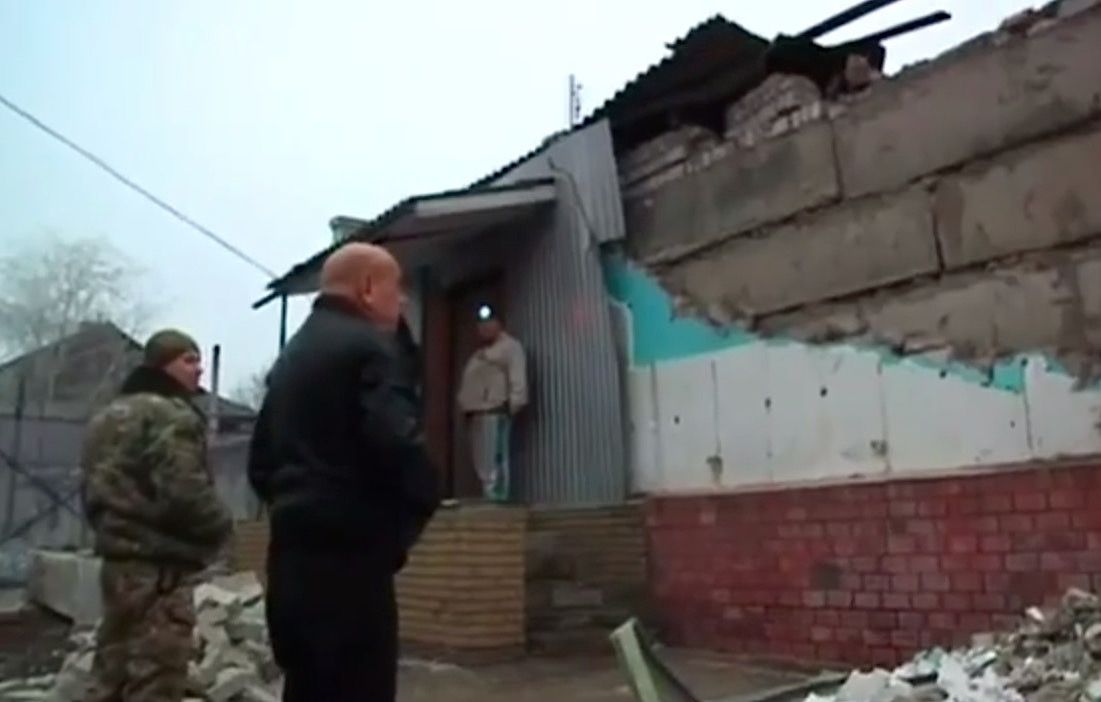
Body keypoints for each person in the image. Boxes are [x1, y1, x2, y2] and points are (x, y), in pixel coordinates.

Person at [247, 242, 440, 702]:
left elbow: (260, 461)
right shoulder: (370, 349)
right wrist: (411, 514)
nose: (405, 302)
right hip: (352, 567)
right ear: (369, 289)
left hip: (291, 562)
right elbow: (398, 445)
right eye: (399, 289)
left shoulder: (292, 355)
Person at [82, 329, 233, 702]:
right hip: (160, 567)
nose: (199, 370)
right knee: (157, 676)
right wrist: (219, 527)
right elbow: (184, 489)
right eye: (188, 360)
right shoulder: (170, 414)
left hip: (117, 561)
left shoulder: (107, 416)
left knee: (112, 670)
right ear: (162, 365)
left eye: (199, 360)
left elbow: (92, 486)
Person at [456, 305, 528, 501]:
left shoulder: (510, 347)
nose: (484, 328)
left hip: (495, 410)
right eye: (481, 325)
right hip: (476, 412)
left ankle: (498, 498)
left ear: (499, 324)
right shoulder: (479, 354)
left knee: (495, 458)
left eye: (489, 323)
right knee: (482, 460)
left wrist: (514, 404)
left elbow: (518, 378)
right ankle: (488, 495)